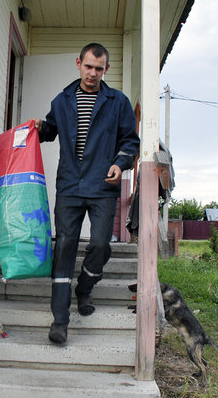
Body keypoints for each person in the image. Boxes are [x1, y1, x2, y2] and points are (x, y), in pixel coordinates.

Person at [33, 43, 140, 344]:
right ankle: (60, 320)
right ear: (78, 63)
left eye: (99, 68)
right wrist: (40, 127)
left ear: (106, 69)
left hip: (103, 184)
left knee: (101, 245)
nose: (93, 73)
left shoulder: (118, 102)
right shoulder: (62, 100)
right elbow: (50, 130)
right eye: (88, 66)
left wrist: (120, 163)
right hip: (69, 185)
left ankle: (85, 287)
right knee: (65, 245)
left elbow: (130, 141)